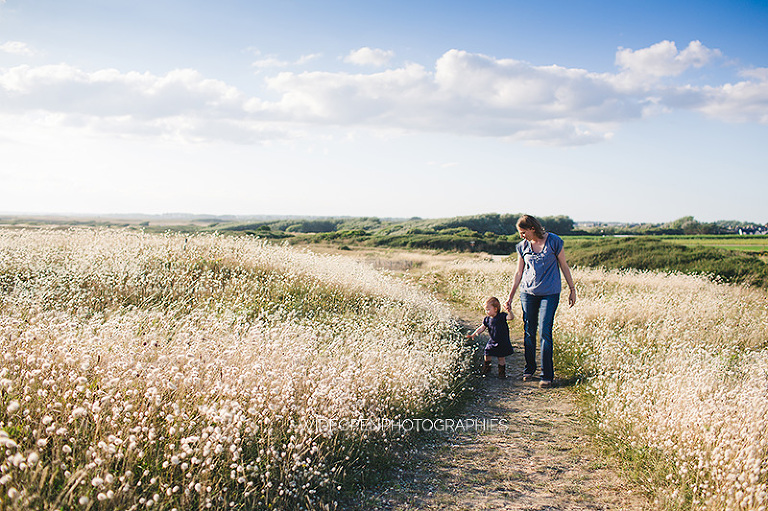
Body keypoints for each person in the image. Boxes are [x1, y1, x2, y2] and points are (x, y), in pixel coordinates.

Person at [505, 215, 576, 388]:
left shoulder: (554, 241)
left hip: (550, 293)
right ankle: (529, 369)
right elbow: (518, 273)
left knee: (545, 331)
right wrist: (511, 296)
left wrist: (572, 289)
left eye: (523, 232)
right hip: (528, 293)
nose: (522, 236)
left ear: (532, 228)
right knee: (529, 331)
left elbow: (564, 266)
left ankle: (547, 375)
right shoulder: (523, 247)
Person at [467, 297, 514, 379]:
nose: (487, 311)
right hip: (492, 341)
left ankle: (501, 373)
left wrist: (509, 311)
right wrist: (474, 334)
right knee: (487, 353)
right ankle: (486, 369)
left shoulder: (501, 316)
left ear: (495, 309)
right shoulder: (487, 319)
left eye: (488, 309)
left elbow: (510, 318)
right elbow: (482, 328)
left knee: (501, 357)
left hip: (502, 342)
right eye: (486, 310)